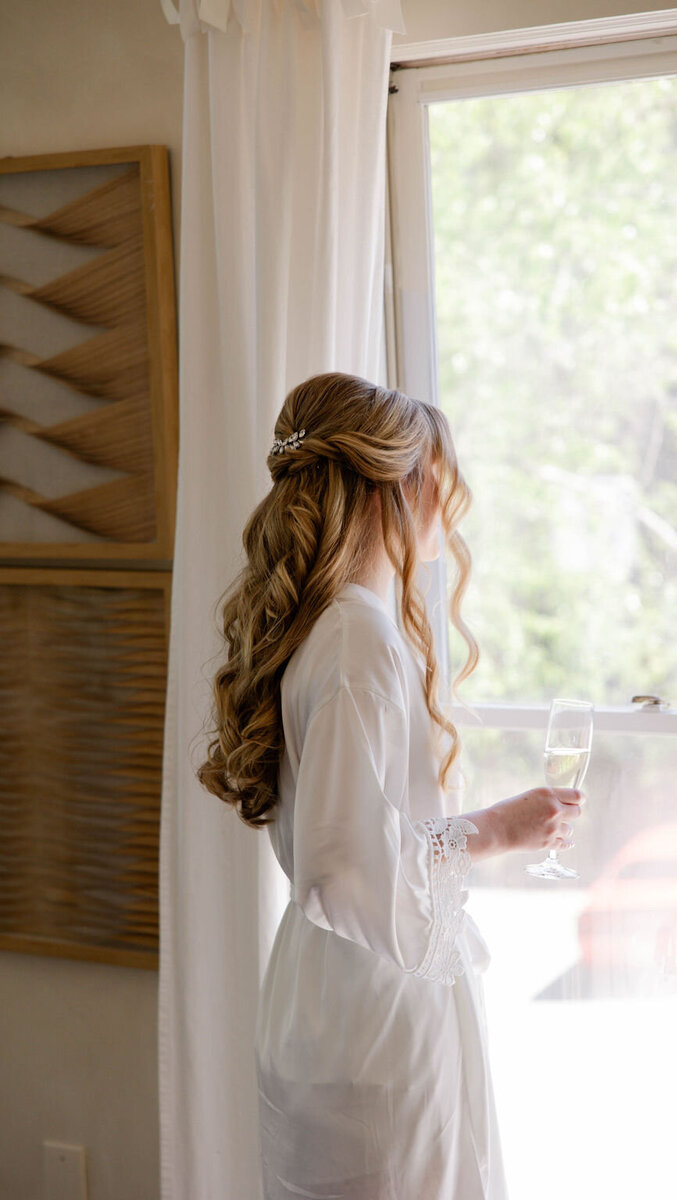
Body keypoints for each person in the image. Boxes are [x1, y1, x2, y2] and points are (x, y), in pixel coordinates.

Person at [197, 372, 584, 1200]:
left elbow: (347, 838)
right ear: (397, 485)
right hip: (371, 1015)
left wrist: (487, 828)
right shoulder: (358, 638)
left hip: (324, 1004)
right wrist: (496, 832)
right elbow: (346, 868)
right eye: (438, 473)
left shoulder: (327, 625)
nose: (452, 498)